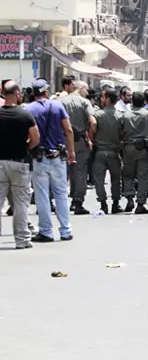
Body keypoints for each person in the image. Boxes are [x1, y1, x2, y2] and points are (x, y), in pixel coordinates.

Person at [24, 79, 75, 243]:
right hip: (58, 155)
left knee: (42, 195)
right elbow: (68, 129)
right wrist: (72, 151)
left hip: (39, 157)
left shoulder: (28, 109)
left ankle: (46, 231)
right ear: (46, 91)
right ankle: (66, 231)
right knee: (61, 193)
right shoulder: (57, 106)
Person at [0, 81, 40, 249]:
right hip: (20, 162)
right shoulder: (25, 116)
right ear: (17, 94)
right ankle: (22, 239)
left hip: (0, 163)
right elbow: (35, 138)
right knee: (20, 204)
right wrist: (26, 146)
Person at [61, 80, 95, 215]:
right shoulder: (84, 103)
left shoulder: (61, 102)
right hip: (80, 140)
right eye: (86, 90)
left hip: (64, 139)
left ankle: (59, 201)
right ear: (80, 89)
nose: (87, 92)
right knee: (80, 172)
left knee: (63, 172)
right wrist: (91, 138)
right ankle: (77, 202)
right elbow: (93, 121)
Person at [91, 88, 123, 214]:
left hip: (100, 151)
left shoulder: (98, 115)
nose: (101, 99)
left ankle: (103, 203)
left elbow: (92, 126)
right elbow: (122, 134)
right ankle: (115, 204)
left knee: (99, 179)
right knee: (116, 179)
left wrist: (92, 139)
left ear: (108, 99)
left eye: (103, 97)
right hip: (114, 152)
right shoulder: (120, 115)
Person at [121, 91, 148, 215]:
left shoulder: (125, 115)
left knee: (128, 175)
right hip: (143, 149)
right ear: (144, 101)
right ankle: (140, 203)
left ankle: (129, 198)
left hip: (128, 148)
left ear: (132, 101)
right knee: (143, 177)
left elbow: (121, 131)